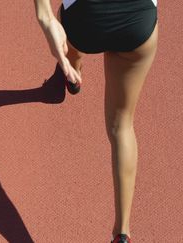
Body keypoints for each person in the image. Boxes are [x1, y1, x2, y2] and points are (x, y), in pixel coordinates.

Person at [34, 0, 159, 242]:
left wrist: (47, 19)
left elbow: (45, 14)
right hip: (138, 21)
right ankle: (121, 232)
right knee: (122, 125)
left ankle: (73, 74)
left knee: (67, 27)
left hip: (86, 19)